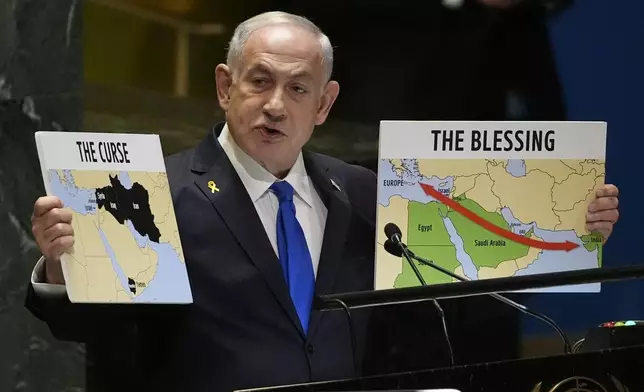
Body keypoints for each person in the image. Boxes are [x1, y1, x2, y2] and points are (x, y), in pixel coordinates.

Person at [25, 11, 620, 392]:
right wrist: (59, 265)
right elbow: (95, 329)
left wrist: (577, 226)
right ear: (225, 87)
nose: (277, 104)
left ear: (325, 105)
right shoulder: (161, 193)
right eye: (259, 81)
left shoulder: (358, 193)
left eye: (298, 88)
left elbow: (465, 267)